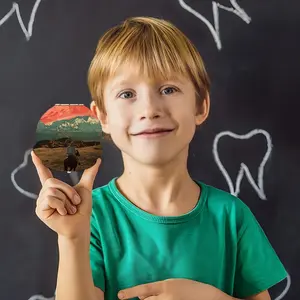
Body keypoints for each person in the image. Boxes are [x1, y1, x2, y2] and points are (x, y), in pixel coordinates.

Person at [31, 16, 287, 300]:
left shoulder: (231, 217)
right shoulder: (91, 217)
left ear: (200, 105)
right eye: (127, 93)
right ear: (102, 117)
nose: (149, 109)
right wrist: (72, 239)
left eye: (168, 89)